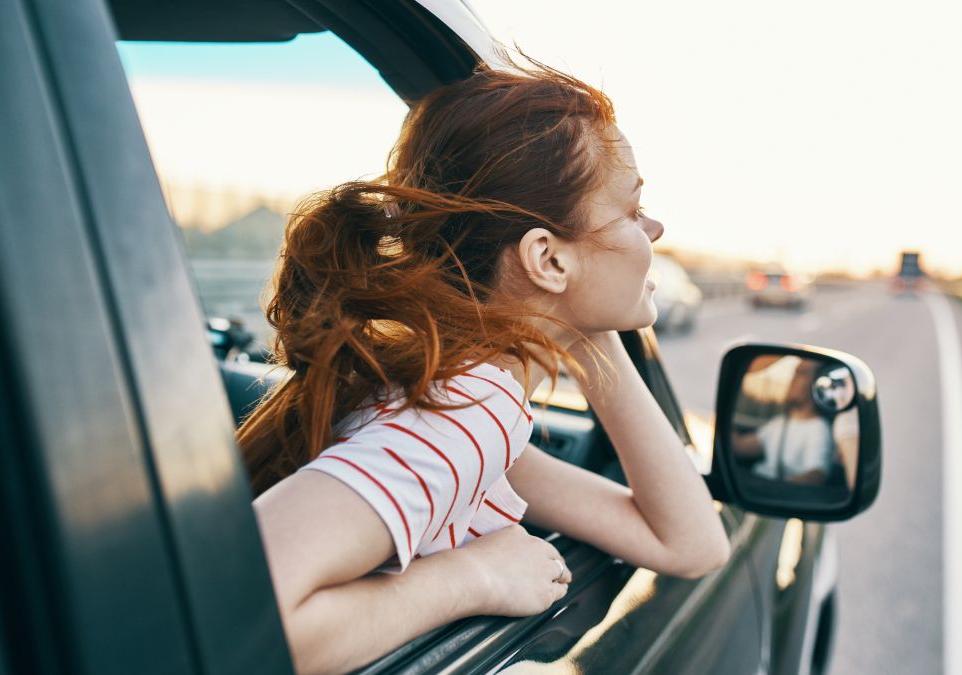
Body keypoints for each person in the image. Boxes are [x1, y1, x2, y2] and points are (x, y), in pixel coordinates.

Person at [237, 60, 730, 674]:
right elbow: (240, 619)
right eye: (632, 212)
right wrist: (472, 577)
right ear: (546, 258)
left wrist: (584, 331)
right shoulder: (467, 415)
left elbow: (690, 543)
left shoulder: (456, 405)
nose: (655, 228)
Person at [730, 359, 835, 485]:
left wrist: (773, 488)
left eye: (801, 373)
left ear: (818, 385)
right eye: (795, 373)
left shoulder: (819, 428)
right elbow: (740, 447)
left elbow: (816, 475)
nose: (793, 378)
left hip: (774, 493)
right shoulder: (779, 423)